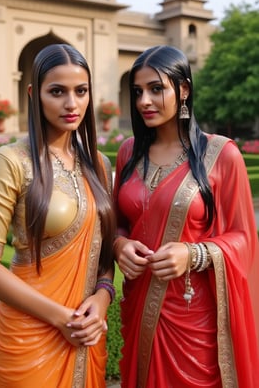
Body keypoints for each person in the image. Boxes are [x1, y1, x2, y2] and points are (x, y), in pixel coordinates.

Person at [0, 43, 116, 387]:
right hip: (29, 339)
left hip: (86, 334)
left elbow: (103, 254)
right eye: (57, 92)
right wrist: (62, 318)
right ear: (34, 93)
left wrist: (103, 298)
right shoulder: (11, 161)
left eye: (81, 91)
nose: (72, 104)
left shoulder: (99, 164)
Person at [113, 45, 259, 388]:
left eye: (156, 88)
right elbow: (118, 222)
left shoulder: (221, 154)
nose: (144, 101)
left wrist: (192, 254)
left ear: (184, 90)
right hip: (140, 306)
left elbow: (243, 237)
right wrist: (119, 245)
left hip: (195, 318)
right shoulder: (128, 153)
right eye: (137, 92)